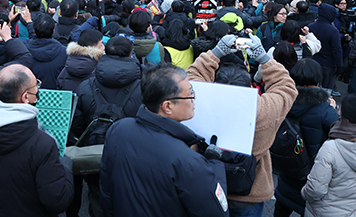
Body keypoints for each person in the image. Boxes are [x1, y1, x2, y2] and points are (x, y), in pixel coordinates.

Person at [187, 33, 298, 216]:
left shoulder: (198, 102)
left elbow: (193, 75)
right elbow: (286, 86)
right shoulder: (264, 109)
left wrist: (216, 53)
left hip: (206, 181)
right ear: (249, 87)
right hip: (250, 191)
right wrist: (263, 57)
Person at [100, 62, 228, 217]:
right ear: (167, 106)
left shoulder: (119, 129)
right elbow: (217, 213)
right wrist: (214, 163)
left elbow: (106, 190)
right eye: (190, 93)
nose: (194, 97)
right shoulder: (188, 162)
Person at [0, 64, 74, 216]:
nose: (38, 89)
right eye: (36, 86)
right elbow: (57, 201)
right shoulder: (43, 144)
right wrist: (65, 164)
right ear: (25, 97)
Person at [68, 36, 142, 217]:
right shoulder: (143, 87)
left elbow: (76, 127)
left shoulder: (86, 85)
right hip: (131, 155)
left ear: (104, 53)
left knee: (98, 195)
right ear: (131, 55)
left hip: (95, 153)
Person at [273, 59, 339, 217]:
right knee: (306, 207)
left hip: (286, 165)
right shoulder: (324, 109)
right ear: (318, 79)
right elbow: (338, 133)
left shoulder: (284, 101)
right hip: (310, 171)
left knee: (282, 203)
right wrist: (334, 110)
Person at [24, 13, 67, 90]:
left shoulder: (23, 50)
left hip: (28, 96)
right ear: (53, 31)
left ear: (34, 31)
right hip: (55, 97)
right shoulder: (64, 52)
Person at [307, 3, 343, 91]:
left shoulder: (310, 26)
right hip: (328, 64)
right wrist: (339, 65)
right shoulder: (333, 30)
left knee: (311, 87)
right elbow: (336, 49)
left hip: (312, 62)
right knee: (326, 89)